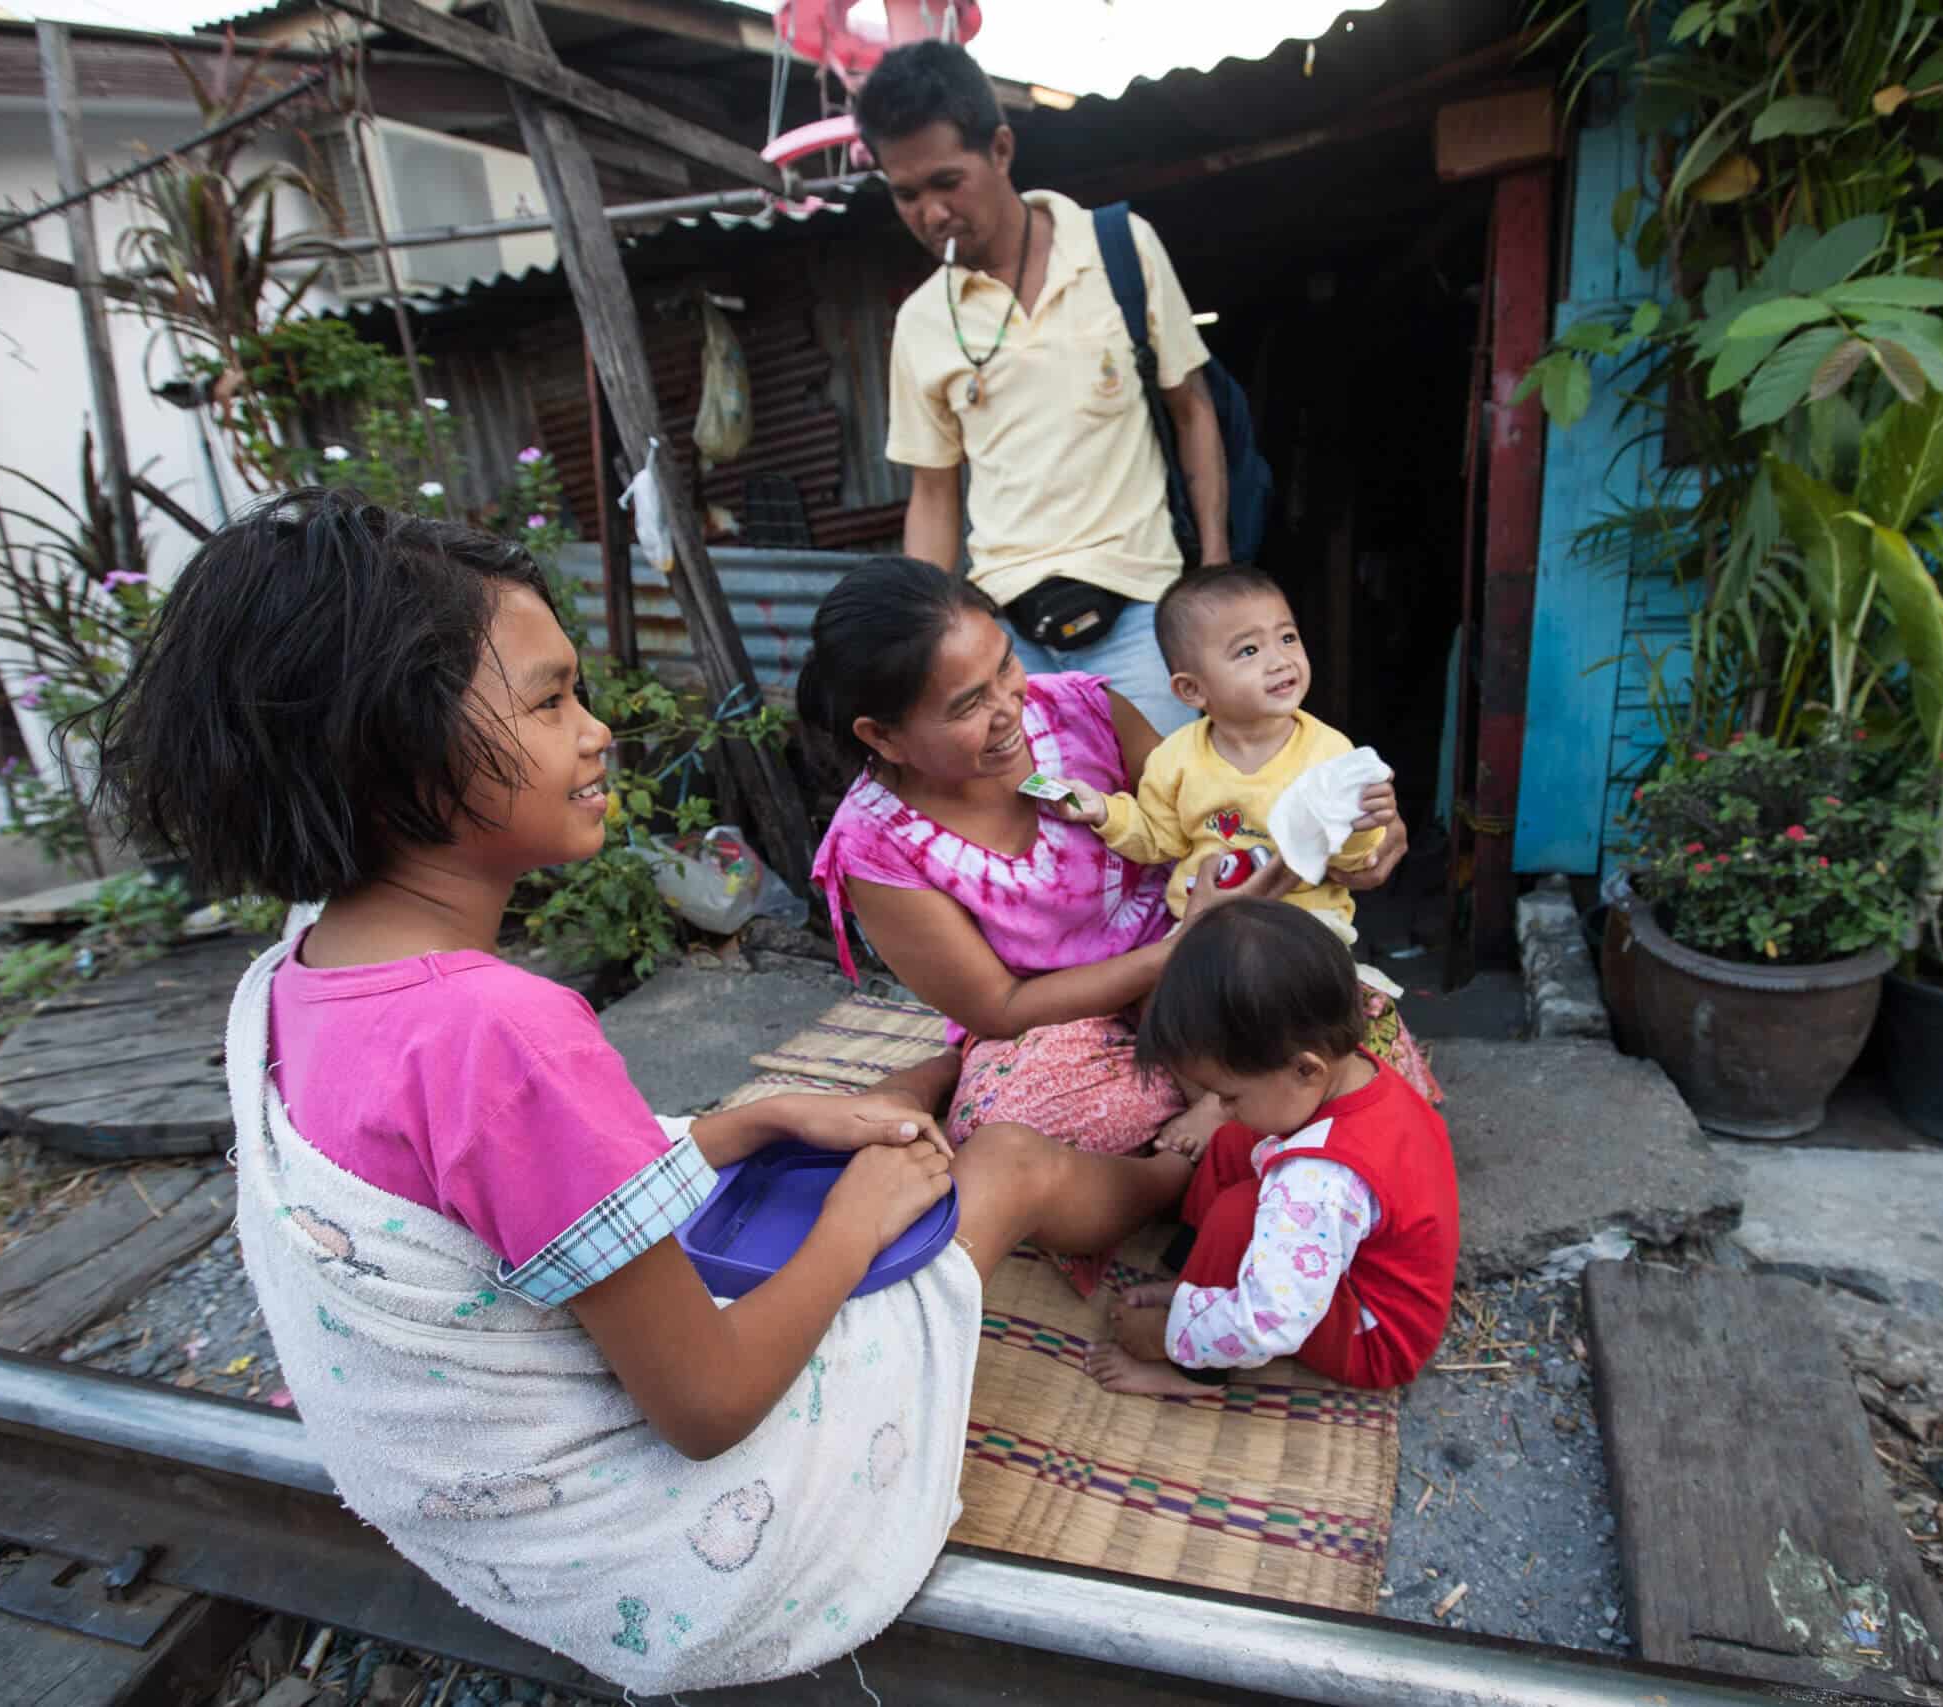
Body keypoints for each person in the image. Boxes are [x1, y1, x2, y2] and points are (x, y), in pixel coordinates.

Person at [90, 490, 1194, 1693]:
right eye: (552, 698)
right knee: (1013, 1162)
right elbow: (709, 1404)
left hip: (495, 1540)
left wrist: (757, 1119)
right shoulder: (502, 1034)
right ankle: (1187, 1170)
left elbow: (484, 1185)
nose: (598, 730)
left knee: (853, 1134)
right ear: (395, 750)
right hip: (680, 1558)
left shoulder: (297, 972)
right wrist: (855, 1218)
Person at [801, 556, 1436, 1179]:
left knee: (1345, 1065)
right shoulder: (876, 847)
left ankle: (1199, 1144)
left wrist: (1356, 832)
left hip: (1213, 970)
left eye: (1006, 666)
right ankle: (1175, 1161)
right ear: (883, 737)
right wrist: (1181, 947)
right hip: (1063, 1019)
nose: (1008, 709)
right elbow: (1001, 1005)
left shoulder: (1083, 712)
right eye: (969, 705)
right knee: (1018, 1130)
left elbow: (1206, 813)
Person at [858, 41, 1226, 736]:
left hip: (1145, 612)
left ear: (1000, 149)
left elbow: (1193, 410)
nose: (931, 213)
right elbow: (933, 495)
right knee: (1053, 833)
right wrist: (923, 638)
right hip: (1006, 639)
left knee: (1177, 820)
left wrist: (1211, 571)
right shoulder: (922, 322)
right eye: (906, 194)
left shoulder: (1120, 249)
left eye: (946, 181)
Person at [1086, 901, 1460, 1398]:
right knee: (1236, 1138)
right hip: (1358, 1264)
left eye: (1230, 1093)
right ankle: (1195, 1277)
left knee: (1238, 1211)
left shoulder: (1318, 1180)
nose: (1217, 1104)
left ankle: (1195, 1373)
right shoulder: (1350, 1070)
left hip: (1374, 1335)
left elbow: (1271, 1323)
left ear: (1306, 1069)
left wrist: (1170, 1336)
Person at [1050, 565, 1387, 948]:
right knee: (1178, 983)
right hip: (1209, 927)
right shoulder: (1174, 760)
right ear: (1192, 689)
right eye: (1249, 650)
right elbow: (1160, 842)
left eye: (1288, 638)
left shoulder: (1329, 754)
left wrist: (1363, 826)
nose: (1280, 660)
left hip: (1308, 928)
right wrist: (1105, 812)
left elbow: (1351, 863)